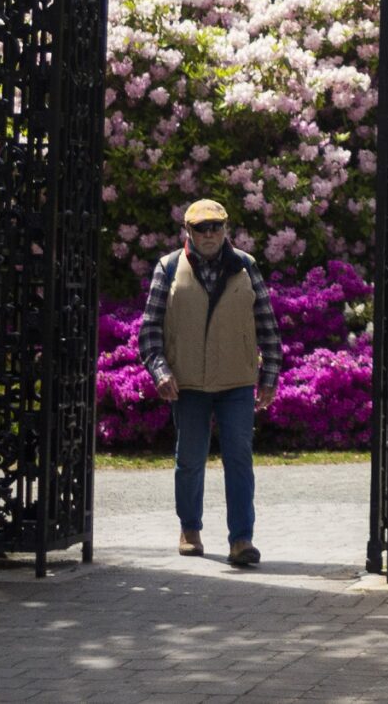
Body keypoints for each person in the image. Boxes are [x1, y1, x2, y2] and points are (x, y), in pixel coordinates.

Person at [138, 198, 282, 566]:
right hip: (187, 384)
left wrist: (269, 376)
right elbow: (150, 328)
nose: (209, 234)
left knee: (239, 458)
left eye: (215, 227)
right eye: (201, 228)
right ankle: (190, 528)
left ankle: (241, 540)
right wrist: (160, 370)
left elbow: (267, 325)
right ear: (188, 231)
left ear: (226, 229)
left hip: (236, 381)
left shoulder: (246, 267)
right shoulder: (168, 268)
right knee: (189, 459)